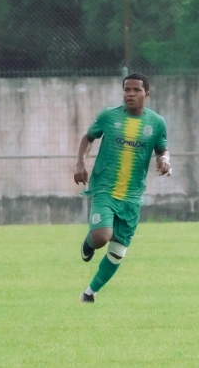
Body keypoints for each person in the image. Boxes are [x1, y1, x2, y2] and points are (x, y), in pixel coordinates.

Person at [74, 72, 170, 303]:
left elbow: (162, 149)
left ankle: (89, 293)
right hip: (105, 188)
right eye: (127, 89)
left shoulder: (157, 123)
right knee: (101, 237)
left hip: (132, 195)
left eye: (136, 90)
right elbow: (89, 137)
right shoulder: (108, 116)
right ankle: (89, 242)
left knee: (117, 252)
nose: (130, 94)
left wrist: (165, 160)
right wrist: (80, 163)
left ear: (147, 93)